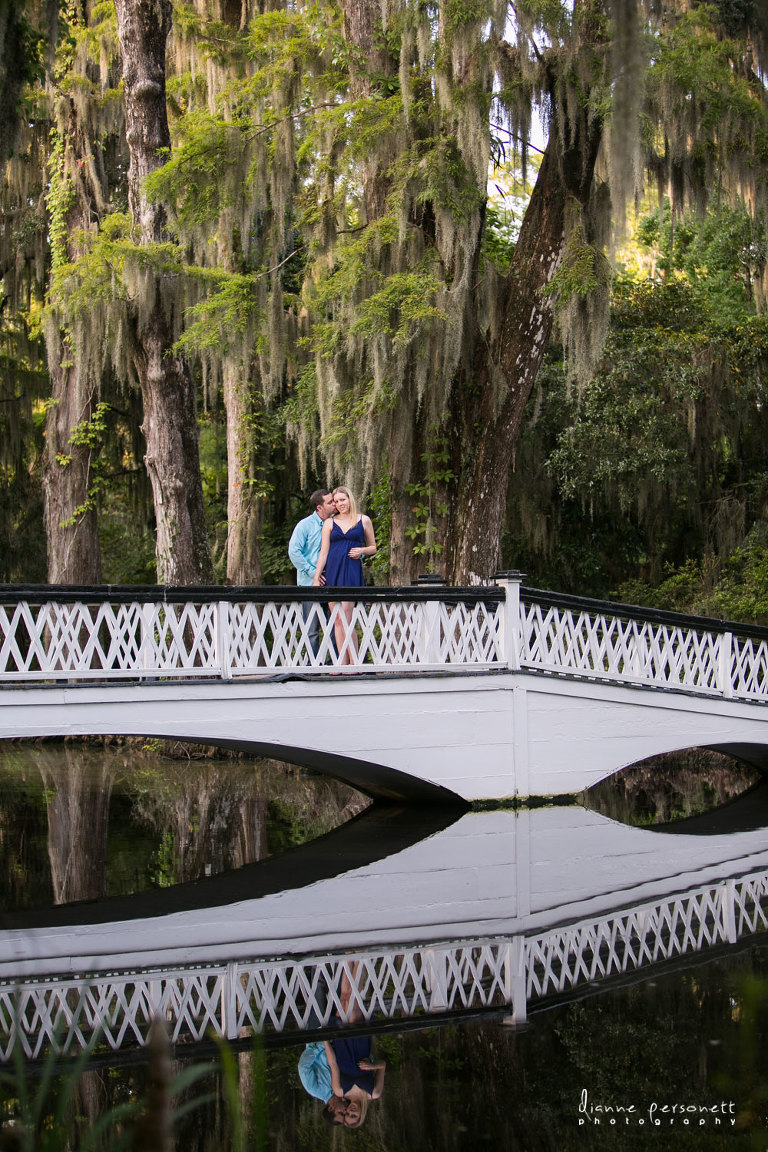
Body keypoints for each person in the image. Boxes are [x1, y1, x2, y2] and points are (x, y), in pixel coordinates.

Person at [313, 487, 376, 667]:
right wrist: (317, 577)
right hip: (333, 570)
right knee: (337, 620)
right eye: (336, 501)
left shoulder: (363, 520)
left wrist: (362, 550)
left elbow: (373, 547)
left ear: (350, 499)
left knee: (347, 618)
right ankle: (341, 663)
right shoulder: (329, 523)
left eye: (343, 500)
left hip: (351, 570)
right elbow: (323, 552)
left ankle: (354, 664)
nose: (340, 504)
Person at [288, 489, 336, 657]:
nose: (334, 504)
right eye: (330, 502)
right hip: (309, 584)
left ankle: (334, 664)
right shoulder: (305, 525)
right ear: (319, 508)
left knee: (334, 625)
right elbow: (294, 552)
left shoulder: (336, 524)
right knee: (312, 629)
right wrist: (312, 572)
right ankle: (312, 666)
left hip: (332, 582)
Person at [323, 1035, 386, 1129]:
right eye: (354, 1115)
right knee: (354, 1022)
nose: (351, 1111)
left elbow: (333, 1065)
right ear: (361, 1115)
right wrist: (372, 1066)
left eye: (347, 1114)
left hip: (342, 1047)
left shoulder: (339, 1091)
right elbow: (383, 1065)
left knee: (340, 1022)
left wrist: (325, 1041)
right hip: (361, 1047)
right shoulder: (374, 1093)